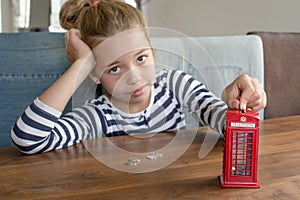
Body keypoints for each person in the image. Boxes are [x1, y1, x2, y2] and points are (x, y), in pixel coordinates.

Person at [11, 0, 266, 154]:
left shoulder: (175, 84)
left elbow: (223, 122)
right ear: (95, 75)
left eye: (141, 58)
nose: (134, 77)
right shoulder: (96, 116)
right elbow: (27, 138)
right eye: (114, 68)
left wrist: (233, 105)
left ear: (152, 51)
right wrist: (83, 63)